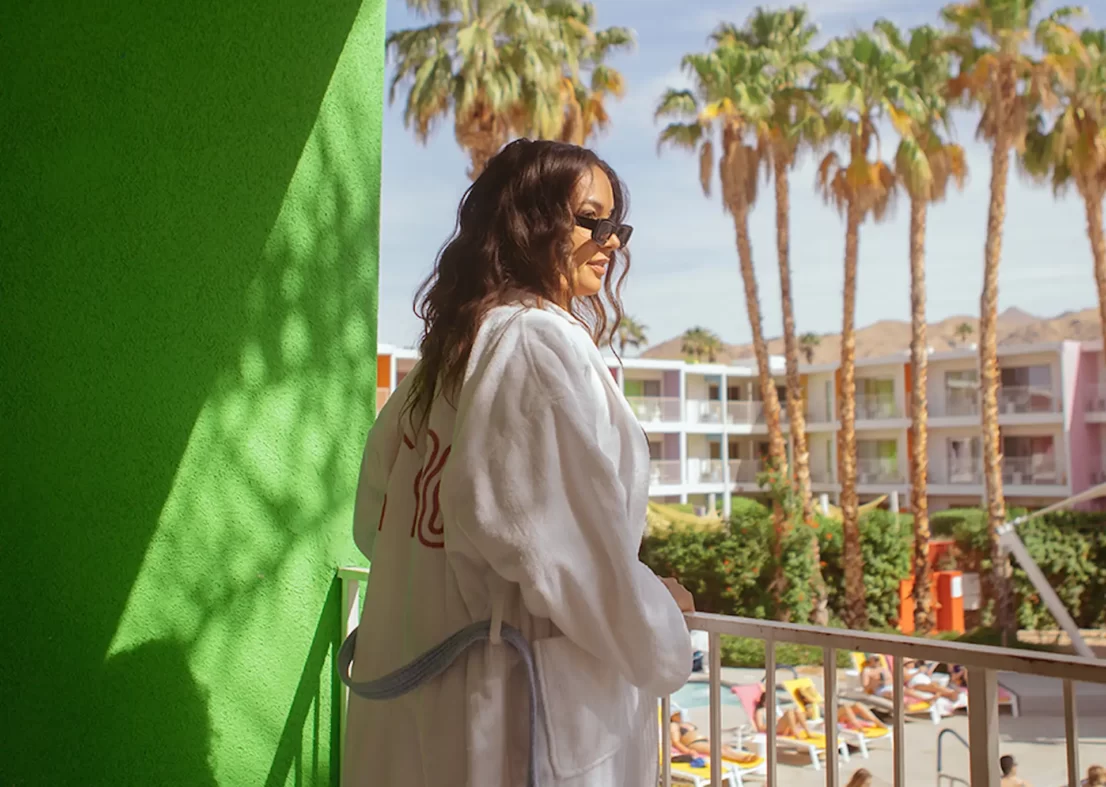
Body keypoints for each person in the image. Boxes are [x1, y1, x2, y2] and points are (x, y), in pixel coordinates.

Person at [341, 139, 696, 787]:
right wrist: (663, 619)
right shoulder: (533, 346)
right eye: (592, 218)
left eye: (618, 223)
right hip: (508, 727)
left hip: (420, 705)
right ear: (528, 221)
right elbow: (573, 564)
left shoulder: (440, 368)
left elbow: (373, 528)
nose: (612, 240)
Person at [669, 711, 761, 766]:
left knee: (726, 748)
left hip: (703, 741)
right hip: (694, 743)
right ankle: (740, 758)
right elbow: (676, 742)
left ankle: (740, 756)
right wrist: (687, 751)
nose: (680, 714)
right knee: (717, 751)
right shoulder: (673, 725)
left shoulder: (686, 723)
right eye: (677, 713)